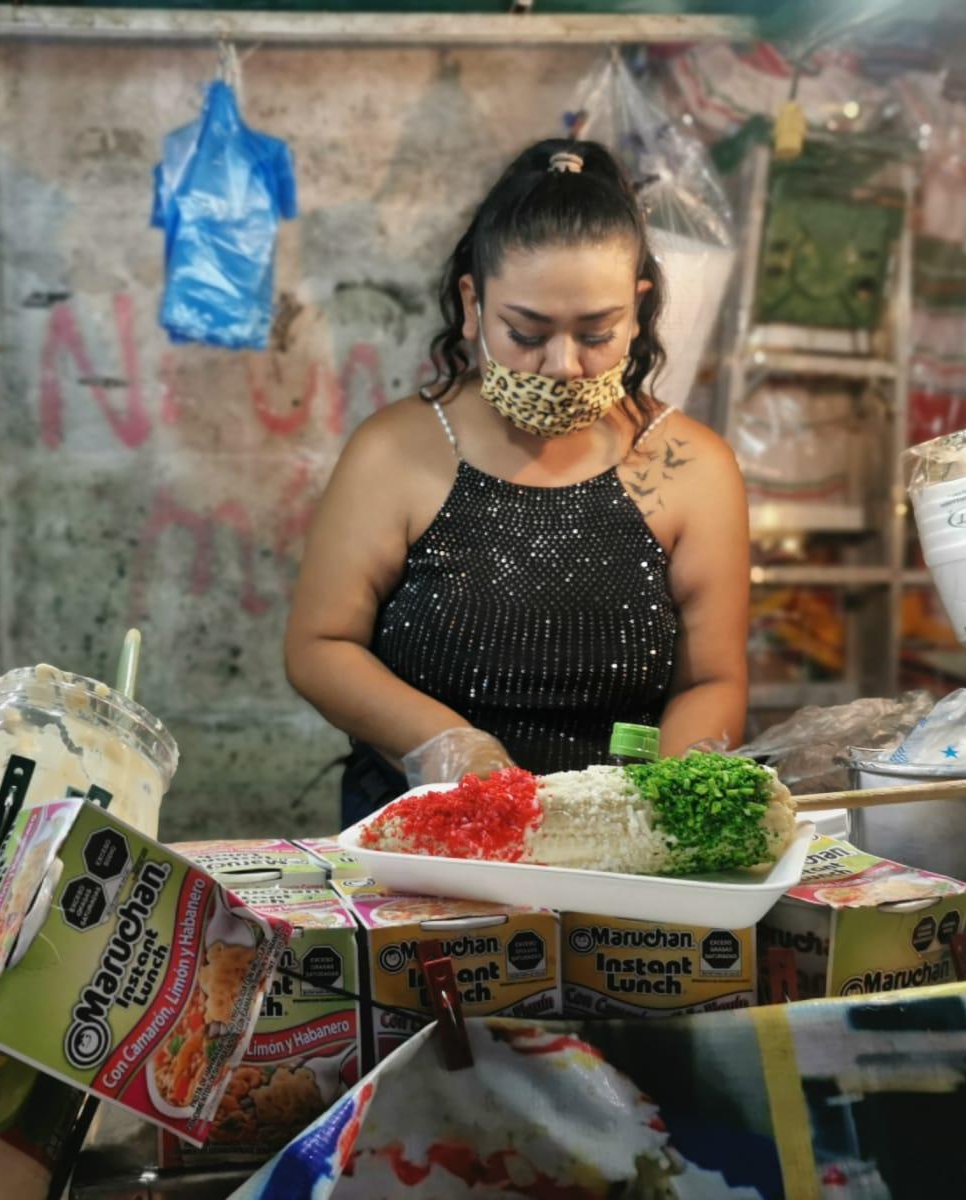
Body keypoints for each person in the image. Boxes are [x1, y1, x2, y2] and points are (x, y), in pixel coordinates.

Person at [284, 139, 750, 826]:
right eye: (527, 332)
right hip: (423, 840)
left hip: (618, 851)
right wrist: (448, 747)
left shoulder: (693, 467)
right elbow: (319, 647)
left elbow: (712, 679)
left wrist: (659, 807)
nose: (562, 364)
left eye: (597, 333)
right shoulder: (396, 453)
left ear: (638, 309)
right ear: (473, 303)